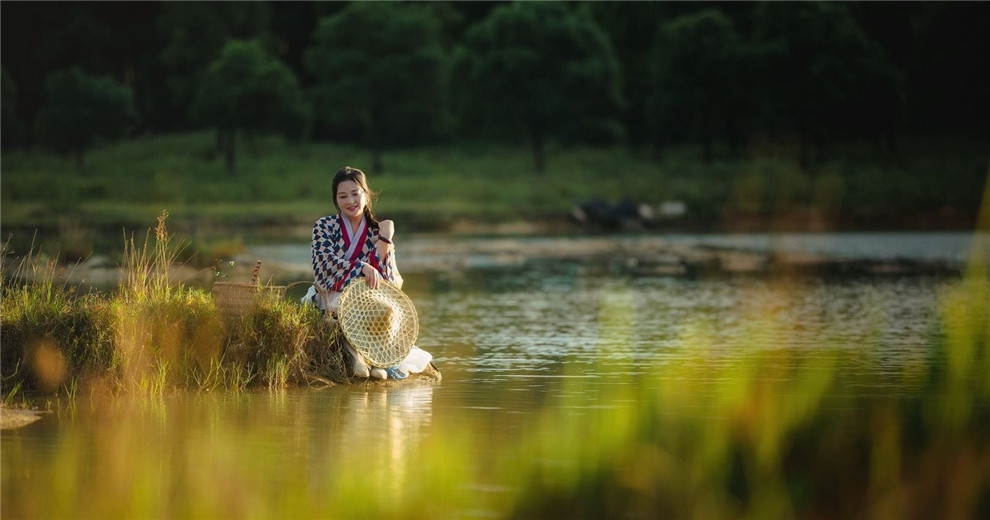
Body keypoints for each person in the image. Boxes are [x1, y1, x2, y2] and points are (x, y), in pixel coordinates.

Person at [303, 166, 430, 380]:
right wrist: (360, 267)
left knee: (386, 310)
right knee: (340, 305)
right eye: (343, 196)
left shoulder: (377, 230)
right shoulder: (323, 226)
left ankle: (376, 359)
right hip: (331, 295)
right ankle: (359, 359)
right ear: (336, 199)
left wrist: (385, 238)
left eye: (355, 193)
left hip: (368, 299)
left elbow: (385, 279)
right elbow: (324, 265)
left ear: (366, 194)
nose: (350, 201)